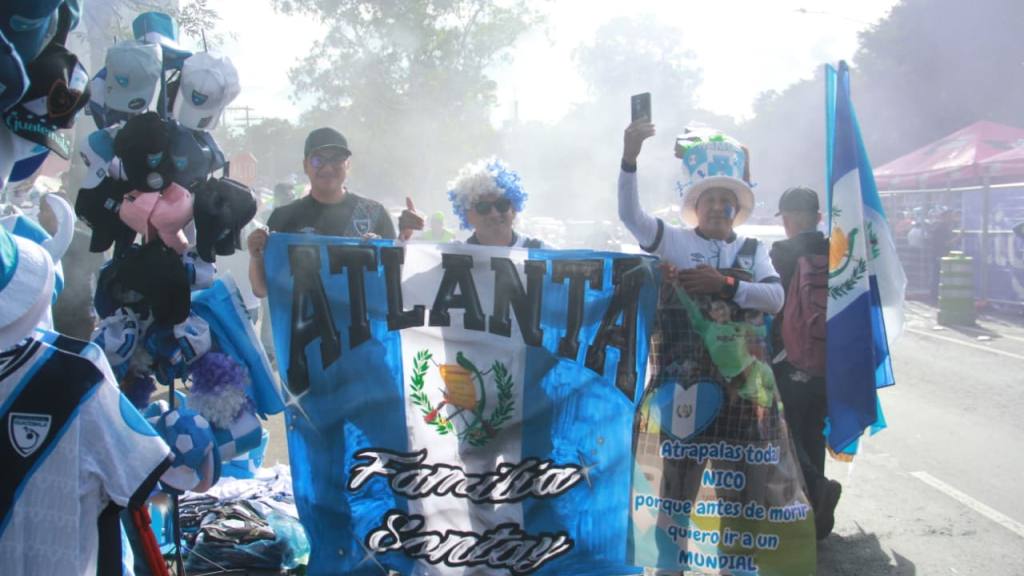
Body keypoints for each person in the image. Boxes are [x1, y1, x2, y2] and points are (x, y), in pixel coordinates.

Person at [618, 120, 783, 314]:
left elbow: (776, 298)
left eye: (725, 200)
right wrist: (629, 159)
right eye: (709, 200)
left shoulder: (754, 248)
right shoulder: (672, 239)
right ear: (696, 208)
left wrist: (723, 284)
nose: (716, 207)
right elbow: (630, 216)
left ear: (737, 209)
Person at [246, 127, 424, 298]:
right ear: (305, 166)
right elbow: (261, 289)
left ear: (348, 165)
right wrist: (256, 256)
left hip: (362, 327)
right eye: (318, 160)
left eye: (336, 159)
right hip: (304, 327)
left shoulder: (373, 214)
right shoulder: (283, 217)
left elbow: (394, 282)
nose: (328, 168)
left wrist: (404, 239)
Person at [769, 186, 841, 540]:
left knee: (786, 434)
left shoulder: (781, 253)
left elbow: (769, 303)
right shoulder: (838, 250)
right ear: (818, 217)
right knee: (814, 431)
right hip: (829, 361)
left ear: (790, 219)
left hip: (789, 359)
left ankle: (815, 488)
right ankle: (818, 523)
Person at [447, 158, 546, 248]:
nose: (494, 214)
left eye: (501, 205)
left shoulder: (542, 253)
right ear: (468, 215)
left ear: (513, 210)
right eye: (483, 207)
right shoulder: (457, 261)